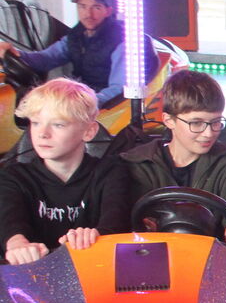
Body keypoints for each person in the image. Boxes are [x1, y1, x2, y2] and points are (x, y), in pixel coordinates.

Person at [121, 70, 226, 248]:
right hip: (151, 259)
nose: (209, 133)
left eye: (216, 122)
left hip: (211, 261)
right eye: (196, 123)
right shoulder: (139, 165)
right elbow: (121, 222)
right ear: (168, 120)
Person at [0, 78, 130, 265]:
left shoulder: (111, 172)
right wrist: (17, 244)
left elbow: (116, 222)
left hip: (94, 272)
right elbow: (10, 221)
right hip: (33, 277)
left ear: (89, 131)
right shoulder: (13, 177)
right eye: (36, 123)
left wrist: (96, 236)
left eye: (58, 125)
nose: (42, 133)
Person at [0, 0, 156, 106]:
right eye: (83, 7)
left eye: (96, 7)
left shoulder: (121, 41)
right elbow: (47, 58)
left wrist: (82, 101)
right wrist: (17, 54)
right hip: (86, 95)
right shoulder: (76, 36)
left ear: (108, 11)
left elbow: (118, 89)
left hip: (108, 104)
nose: (88, 14)